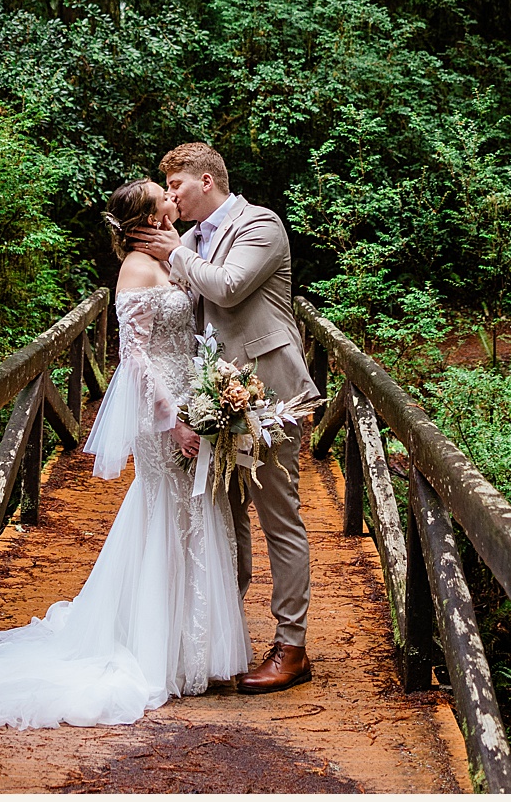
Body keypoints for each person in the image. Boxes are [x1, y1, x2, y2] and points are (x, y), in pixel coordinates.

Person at [0, 178, 247, 728]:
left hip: (193, 393)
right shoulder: (136, 267)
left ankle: (189, 649)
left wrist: (208, 392)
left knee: (193, 516)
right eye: (165, 197)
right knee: (166, 516)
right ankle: (156, 651)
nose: (174, 200)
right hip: (165, 413)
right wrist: (173, 418)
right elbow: (134, 357)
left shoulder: (174, 255)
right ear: (151, 217)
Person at [129, 141, 320, 693]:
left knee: (278, 517)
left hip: (273, 398)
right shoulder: (184, 241)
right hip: (211, 398)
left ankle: (292, 645)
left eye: (177, 187)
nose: (170, 197)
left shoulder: (262, 225)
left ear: (205, 181)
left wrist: (179, 254)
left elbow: (229, 289)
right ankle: (224, 635)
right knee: (224, 517)